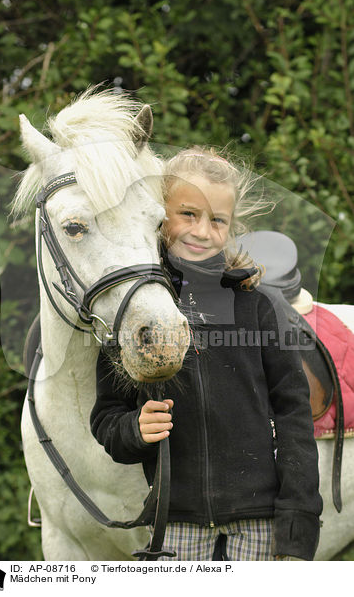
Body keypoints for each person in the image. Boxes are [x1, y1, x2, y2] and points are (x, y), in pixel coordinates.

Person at [90, 146, 322, 561]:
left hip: (260, 525)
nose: (202, 231)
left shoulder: (259, 307)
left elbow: (294, 418)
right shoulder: (132, 312)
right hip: (175, 525)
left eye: (218, 220)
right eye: (188, 214)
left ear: (231, 226)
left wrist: (296, 532)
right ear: (160, 215)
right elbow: (107, 417)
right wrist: (135, 430)